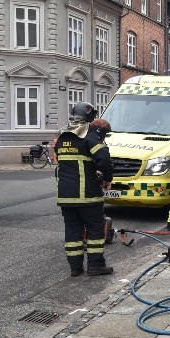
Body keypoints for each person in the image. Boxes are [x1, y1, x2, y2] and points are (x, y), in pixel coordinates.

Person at [56, 102, 114, 277]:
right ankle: (95, 265)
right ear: (89, 117)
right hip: (87, 196)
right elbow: (103, 159)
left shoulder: (62, 136)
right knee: (95, 230)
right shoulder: (89, 135)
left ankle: (75, 268)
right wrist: (107, 178)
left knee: (73, 231)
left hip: (66, 196)